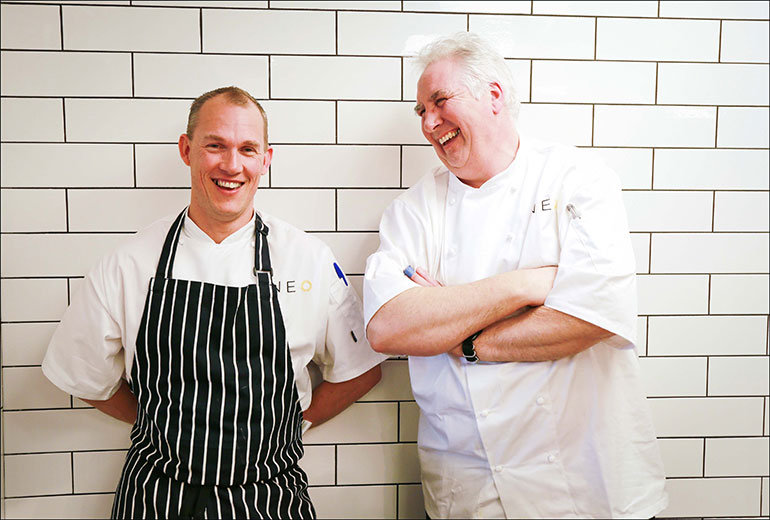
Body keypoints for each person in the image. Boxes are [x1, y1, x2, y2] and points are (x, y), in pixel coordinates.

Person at [43, 86, 387, 519]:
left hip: (269, 497)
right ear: (187, 150)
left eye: (247, 149)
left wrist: (294, 428)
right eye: (215, 146)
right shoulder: (129, 262)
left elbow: (361, 370)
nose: (232, 165)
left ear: (266, 159)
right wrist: (161, 433)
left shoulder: (307, 259)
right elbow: (83, 375)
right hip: (156, 496)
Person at [363, 33, 668, 519]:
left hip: (585, 476)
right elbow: (387, 328)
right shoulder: (412, 211)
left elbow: (595, 318)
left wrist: (461, 338)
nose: (428, 122)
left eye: (439, 101)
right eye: (420, 111)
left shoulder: (578, 179)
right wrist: (525, 286)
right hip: (470, 479)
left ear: (494, 96)